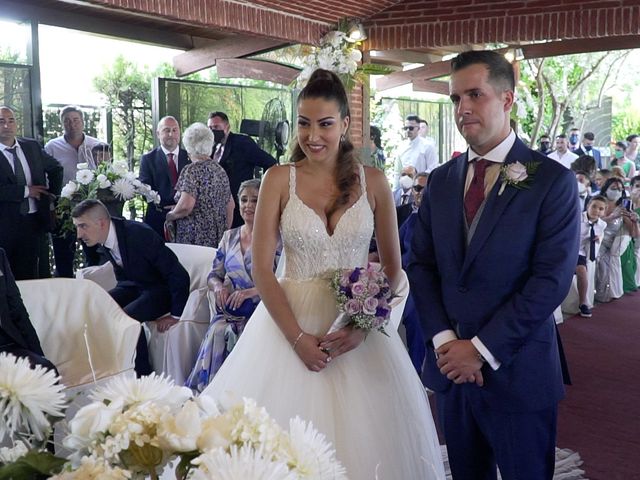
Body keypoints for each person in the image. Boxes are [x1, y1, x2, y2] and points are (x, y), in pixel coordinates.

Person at [201, 69, 445, 480]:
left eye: (325, 124)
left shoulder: (375, 182)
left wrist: (362, 327)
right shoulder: (278, 179)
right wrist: (297, 339)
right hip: (287, 322)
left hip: (355, 329)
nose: (313, 136)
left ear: (346, 124)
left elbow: (392, 268)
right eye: (304, 123)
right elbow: (262, 269)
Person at [407, 50, 580, 480]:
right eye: (455, 99)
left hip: (517, 368)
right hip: (452, 371)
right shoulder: (443, 180)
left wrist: (480, 350)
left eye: (474, 95)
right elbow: (421, 264)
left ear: (507, 99)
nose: (462, 108)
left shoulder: (551, 181)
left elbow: (551, 280)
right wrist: (447, 342)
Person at [71, 199, 190, 376]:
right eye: (77, 227)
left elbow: (178, 273)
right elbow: (124, 278)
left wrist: (176, 314)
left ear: (101, 223)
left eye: (83, 226)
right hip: (133, 287)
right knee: (99, 305)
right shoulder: (102, 237)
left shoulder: (138, 234)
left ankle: (143, 374)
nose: (79, 234)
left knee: (126, 318)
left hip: (160, 290)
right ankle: (107, 368)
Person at [186, 179, 281, 391]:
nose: (248, 205)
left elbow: (284, 279)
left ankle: (245, 391)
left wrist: (252, 292)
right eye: (244, 200)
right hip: (231, 309)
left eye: (255, 200)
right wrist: (218, 287)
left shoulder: (278, 239)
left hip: (264, 308)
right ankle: (211, 391)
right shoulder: (229, 237)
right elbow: (214, 274)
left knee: (243, 331)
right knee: (218, 330)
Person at [0, 106, 63, 281]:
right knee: (8, 277)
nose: (7, 125)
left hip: (34, 221)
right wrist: (27, 191)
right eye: (1, 121)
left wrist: (51, 196)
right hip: (4, 225)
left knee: (35, 275)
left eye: (11, 120)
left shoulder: (31, 146)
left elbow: (56, 168)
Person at [165, 123, 234, 248]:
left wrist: (171, 215)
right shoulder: (219, 170)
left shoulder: (192, 170)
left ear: (188, 146)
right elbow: (231, 206)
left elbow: (186, 207)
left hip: (193, 242)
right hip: (216, 242)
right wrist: (223, 234)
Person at [207, 111, 277, 228]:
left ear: (227, 127)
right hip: (218, 209)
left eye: (216, 127)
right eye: (209, 128)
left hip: (239, 207)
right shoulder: (212, 147)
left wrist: (261, 190)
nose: (213, 131)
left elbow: (269, 163)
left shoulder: (242, 143)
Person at [0, 247, 56, 373]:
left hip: (9, 346)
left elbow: (18, 310)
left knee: (45, 370)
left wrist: (38, 353)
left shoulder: (0, 255)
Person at [139, 116, 191, 238]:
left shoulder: (190, 157)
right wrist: (167, 209)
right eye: (166, 130)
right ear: (158, 133)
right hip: (158, 220)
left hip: (187, 219)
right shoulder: (148, 159)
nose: (171, 134)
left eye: (174, 130)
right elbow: (144, 190)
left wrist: (179, 207)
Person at [595, 177, 639, 302]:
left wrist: (633, 221)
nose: (617, 191)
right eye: (613, 188)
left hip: (614, 241)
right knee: (599, 260)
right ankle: (597, 293)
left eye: (620, 189)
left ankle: (609, 293)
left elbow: (634, 233)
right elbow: (591, 222)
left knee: (608, 260)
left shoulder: (623, 207)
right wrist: (611, 217)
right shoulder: (598, 204)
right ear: (606, 189)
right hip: (599, 239)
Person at [575, 195, 607, 317]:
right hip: (568, 249)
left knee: (582, 272)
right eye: (594, 206)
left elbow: (600, 235)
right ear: (588, 206)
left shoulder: (602, 224)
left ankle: (583, 303)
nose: (596, 210)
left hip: (581, 252)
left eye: (601, 209)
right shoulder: (577, 217)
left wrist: (599, 238)